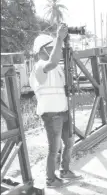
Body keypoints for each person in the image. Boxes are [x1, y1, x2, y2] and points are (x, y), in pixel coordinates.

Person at [29, 24, 82, 188]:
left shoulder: (58, 67)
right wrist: (59, 38)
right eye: (50, 47)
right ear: (41, 50)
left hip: (64, 111)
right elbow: (51, 62)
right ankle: (50, 179)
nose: (54, 50)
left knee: (69, 142)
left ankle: (65, 171)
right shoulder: (39, 66)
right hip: (52, 115)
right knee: (54, 149)